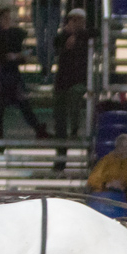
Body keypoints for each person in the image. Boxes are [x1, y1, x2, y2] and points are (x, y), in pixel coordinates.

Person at [0, 9, 41, 141]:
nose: (8, 21)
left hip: (7, 76)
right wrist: (11, 57)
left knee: (18, 106)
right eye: (5, 18)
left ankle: (38, 129)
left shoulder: (7, 35)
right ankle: (37, 130)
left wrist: (16, 57)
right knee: (2, 109)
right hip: (0, 77)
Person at [51, 11, 92, 170]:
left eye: (79, 20)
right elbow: (57, 42)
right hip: (62, 83)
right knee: (59, 121)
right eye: (73, 20)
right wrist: (68, 33)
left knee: (75, 97)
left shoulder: (86, 36)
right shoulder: (62, 37)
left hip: (79, 82)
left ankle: (75, 128)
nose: (76, 23)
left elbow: (94, 32)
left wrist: (78, 35)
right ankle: (61, 158)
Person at [89, 133, 127, 199]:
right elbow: (92, 180)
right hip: (103, 195)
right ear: (117, 146)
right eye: (121, 146)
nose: (124, 149)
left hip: (123, 197)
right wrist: (107, 184)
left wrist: (124, 188)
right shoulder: (106, 160)